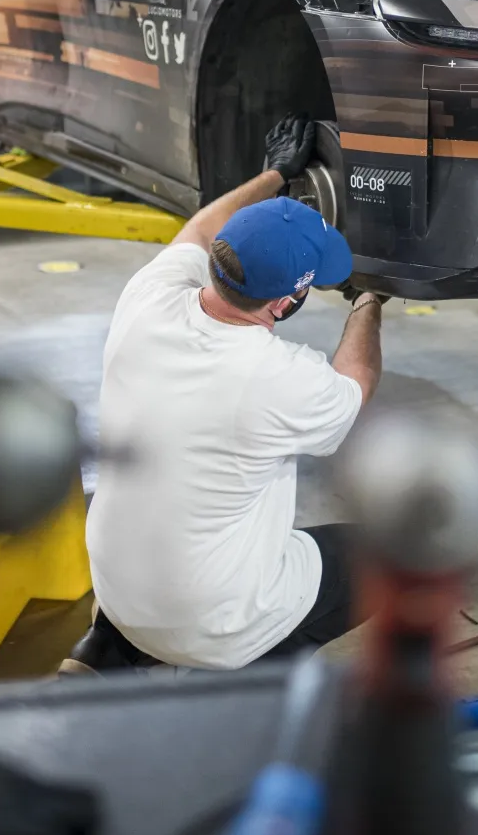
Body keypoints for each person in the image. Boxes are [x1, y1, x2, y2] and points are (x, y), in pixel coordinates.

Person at [65, 116, 386, 673]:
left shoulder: (149, 298)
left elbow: (197, 229)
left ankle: (108, 648)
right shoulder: (275, 376)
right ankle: (254, 671)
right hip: (209, 623)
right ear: (285, 303)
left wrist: (274, 175)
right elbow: (355, 385)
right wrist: (370, 301)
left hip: (114, 589)